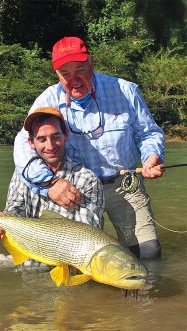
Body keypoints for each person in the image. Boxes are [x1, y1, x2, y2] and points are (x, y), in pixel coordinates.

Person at [13, 36, 165, 260]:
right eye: (66, 74)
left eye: (80, 70)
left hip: (125, 185)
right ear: (57, 75)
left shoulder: (126, 90)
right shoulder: (48, 99)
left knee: (148, 253)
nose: (74, 79)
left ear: (92, 64)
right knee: (80, 259)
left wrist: (151, 156)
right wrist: (49, 184)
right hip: (74, 190)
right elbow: (23, 145)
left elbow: (149, 133)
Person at [0, 106, 105, 271]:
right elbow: (14, 209)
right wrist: (3, 219)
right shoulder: (22, 174)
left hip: (68, 267)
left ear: (66, 136)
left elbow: (89, 235)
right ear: (31, 143)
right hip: (26, 259)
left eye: (56, 136)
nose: (50, 145)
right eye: (41, 139)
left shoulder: (88, 180)